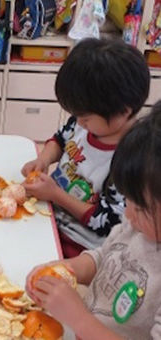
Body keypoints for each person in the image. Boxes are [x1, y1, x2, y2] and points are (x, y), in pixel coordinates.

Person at [25, 102, 161, 339]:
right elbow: (103, 257)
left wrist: (78, 318)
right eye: (128, 200)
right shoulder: (138, 228)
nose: (127, 214)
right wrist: (67, 269)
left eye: (141, 208)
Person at [21, 38, 150, 257]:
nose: (79, 122)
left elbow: (103, 221)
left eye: (86, 117)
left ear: (124, 111)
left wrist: (55, 195)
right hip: (51, 215)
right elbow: (61, 140)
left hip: (81, 244)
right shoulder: (85, 123)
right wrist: (43, 159)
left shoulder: (131, 159)